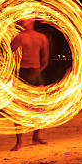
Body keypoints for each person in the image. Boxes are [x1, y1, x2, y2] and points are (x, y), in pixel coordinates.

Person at [9, 18, 50, 151]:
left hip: (36, 74)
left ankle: (36, 136)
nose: (22, 22)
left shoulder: (41, 38)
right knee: (19, 110)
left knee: (39, 108)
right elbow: (9, 52)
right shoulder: (20, 37)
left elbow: (45, 58)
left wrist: (38, 70)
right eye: (22, 21)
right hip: (23, 73)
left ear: (31, 21)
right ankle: (19, 142)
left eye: (25, 20)